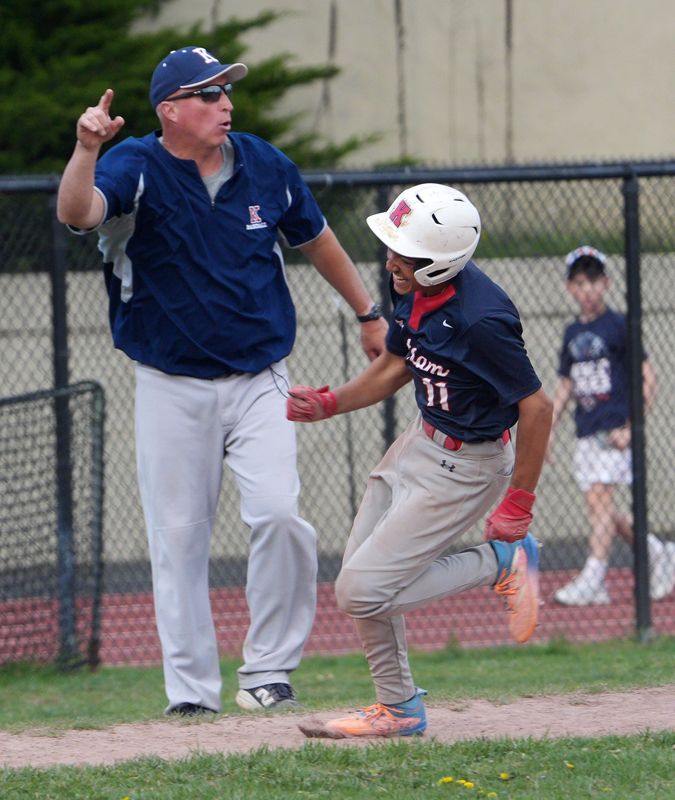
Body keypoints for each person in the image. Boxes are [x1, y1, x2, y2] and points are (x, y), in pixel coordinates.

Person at [56, 45, 387, 716]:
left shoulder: (264, 163)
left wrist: (367, 309)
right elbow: (78, 212)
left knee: (279, 516)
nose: (225, 102)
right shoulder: (135, 166)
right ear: (170, 109)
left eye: (227, 89)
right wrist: (87, 147)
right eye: (208, 93)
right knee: (178, 539)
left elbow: (316, 237)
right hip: (170, 384)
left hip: (260, 376)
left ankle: (268, 672)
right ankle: (192, 696)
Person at [286, 183, 553, 738]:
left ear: (438, 263)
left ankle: (503, 561)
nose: (390, 259)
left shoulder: (481, 320)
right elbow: (396, 364)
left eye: (402, 250)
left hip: (468, 466)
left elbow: (537, 407)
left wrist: (518, 504)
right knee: (363, 584)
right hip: (418, 442)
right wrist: (332, 403)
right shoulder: (411, 286)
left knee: (360, 591)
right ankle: (400, 709)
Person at [548, 246, 675, 606]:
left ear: (605, 283)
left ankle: (594, 577)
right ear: (569, 288)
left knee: (601, 502)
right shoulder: (572, 332)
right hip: (585, 431)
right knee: (602, 509)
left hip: (614, 432)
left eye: (592, 282)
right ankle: (658, 551)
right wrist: (550, 430)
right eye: (578, 283)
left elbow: (648, 378)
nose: (585, 290)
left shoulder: (619, 326)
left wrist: (631, 425)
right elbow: (566, 384)